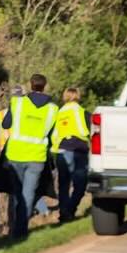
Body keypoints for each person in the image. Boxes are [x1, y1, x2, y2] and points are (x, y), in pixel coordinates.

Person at [0, 74, 58, 240]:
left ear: (30, 85)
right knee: (28, 195)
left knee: (16, 193)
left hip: (16, 154)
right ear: (45, 86)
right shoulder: (53, 109)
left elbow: (6, 124)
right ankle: (21, 231)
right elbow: (51, 135)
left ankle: (14, 229)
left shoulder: (18, 103)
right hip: (37, 157)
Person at [52, 87, 91, 222]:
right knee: (80, 185)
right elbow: (91, 131)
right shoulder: (82, 112)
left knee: (63, 185)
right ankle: (70, 209)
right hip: (78, 151)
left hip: (61, 151)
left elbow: (53, 134)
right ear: (77, 96)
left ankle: (64, 212)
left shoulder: (58, 113)